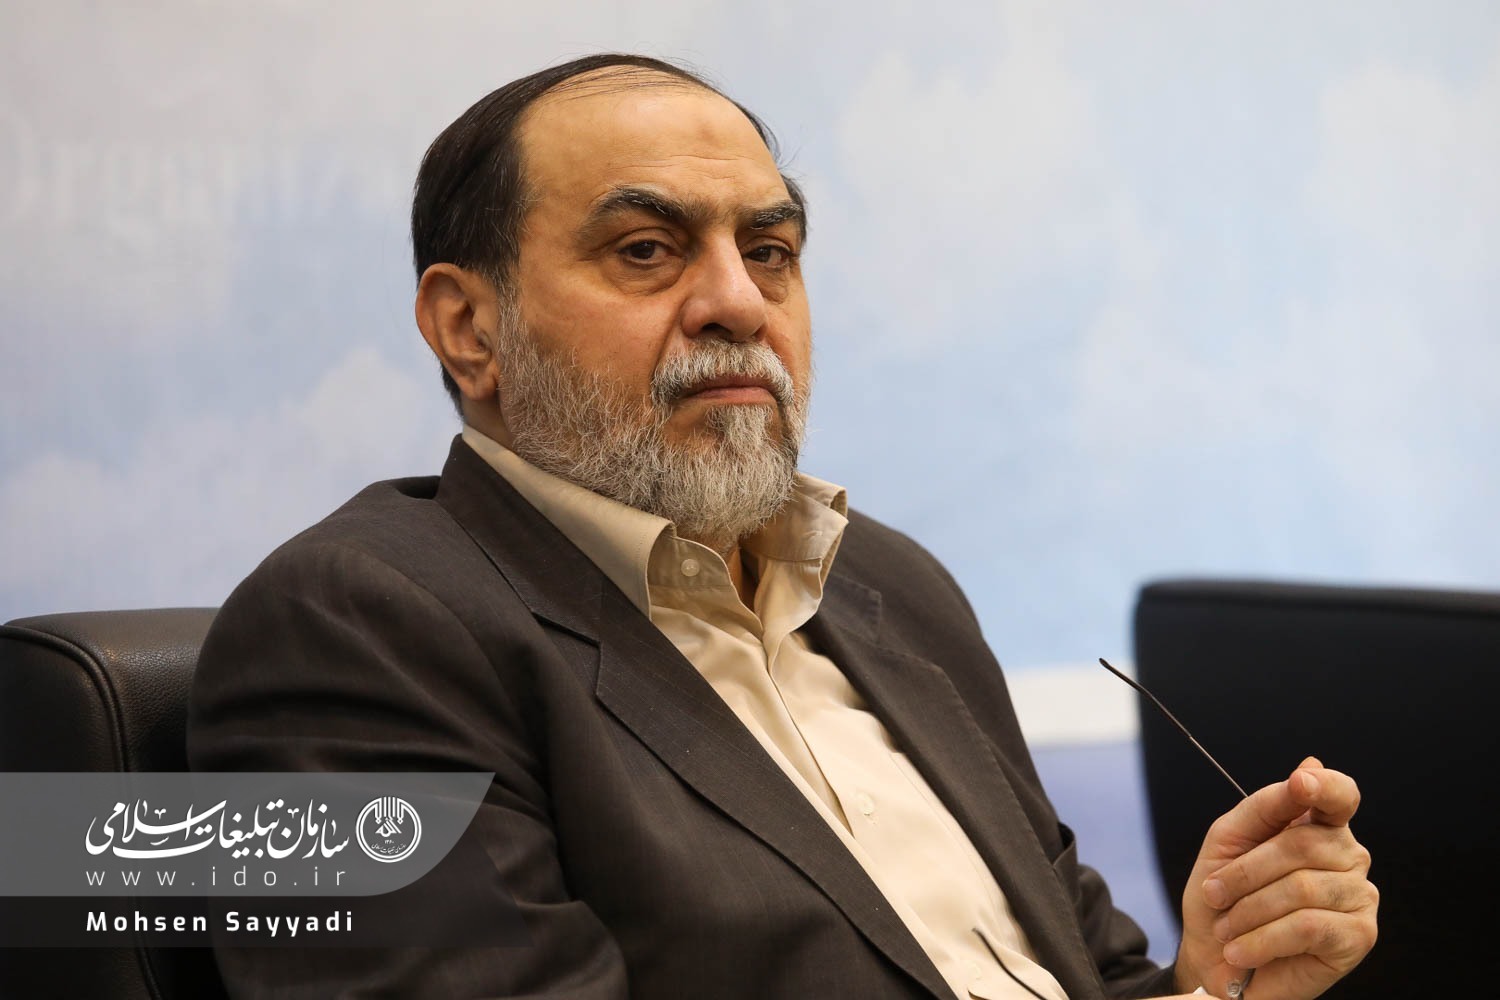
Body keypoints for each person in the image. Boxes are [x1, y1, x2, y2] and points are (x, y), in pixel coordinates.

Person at [188, 53, 1377, 999]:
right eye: (646, 251)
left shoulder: (893, 589)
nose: (738, 303)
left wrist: (1217, 974)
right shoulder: (343, 632)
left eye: (770, 252)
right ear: (467, 327)